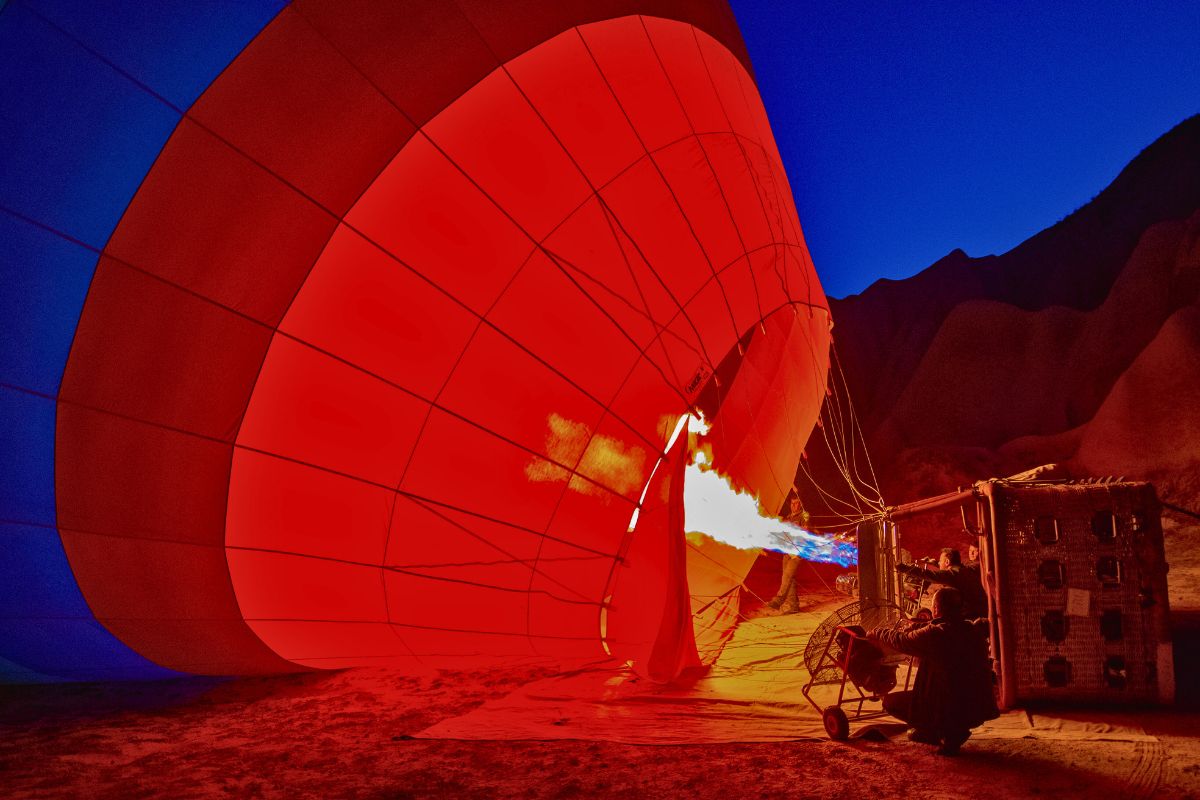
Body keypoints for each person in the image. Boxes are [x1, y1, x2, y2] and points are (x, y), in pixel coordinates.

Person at [868, 587, 998, 755]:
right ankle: (950, 730)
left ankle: (940, 731)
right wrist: (920, 625)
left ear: (935, 609)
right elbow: (946, 627)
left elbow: (901, 640)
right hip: (977, 707)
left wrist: (878, 632)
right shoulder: (972, 630)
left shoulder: (935, 634)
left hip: (949, 706)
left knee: (890, 702)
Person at [896, 547, 988, 620]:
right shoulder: (963, 570)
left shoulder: (953, 575)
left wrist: (902, 567)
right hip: (981, 611)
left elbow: (928, 574)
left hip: (971, 616)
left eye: (941, 560)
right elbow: (946, 570)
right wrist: (936, 563)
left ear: (947, 562)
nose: (939, 563)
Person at [766, 496, 808, 613]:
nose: (794, 506)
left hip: (797, 551)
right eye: (792, 503)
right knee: (790, 578)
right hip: (787, 551)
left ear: (801, 504)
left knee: (787, 576)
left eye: (797, 503)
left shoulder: (804, 516)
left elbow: (805, 531)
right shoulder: (788, 517)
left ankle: (779, 599)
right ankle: (793, 605)